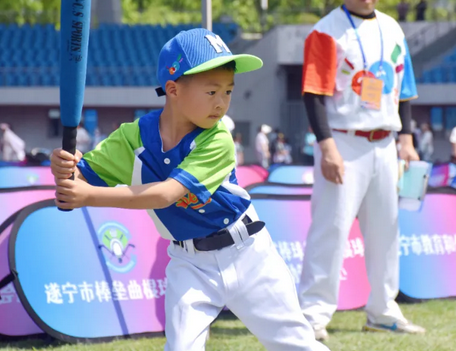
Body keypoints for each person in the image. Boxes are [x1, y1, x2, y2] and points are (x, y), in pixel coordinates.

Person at [50, 28, 329, 351]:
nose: (222, 103)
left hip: (248, 254)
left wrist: (88, 197)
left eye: (228, 91)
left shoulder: (218, 138)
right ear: (173, 89)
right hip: (190, 263)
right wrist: (66, 168)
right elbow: (79, 180)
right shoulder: (133, 136)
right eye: (211, 92)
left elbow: (167, 194)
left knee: (295, 344)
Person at [299, 0, 425, 341]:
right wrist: (327, 146)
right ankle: (312, 314)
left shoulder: (394, 28)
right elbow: (313, 94)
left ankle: (383, 310)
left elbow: (403, 89)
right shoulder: (325, 30)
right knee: (330, 230)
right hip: (345, 142)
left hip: (386, 142)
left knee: (387, 230)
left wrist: (406, 138)